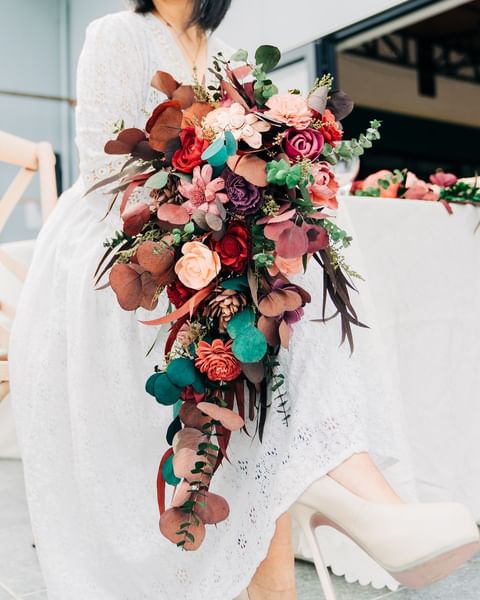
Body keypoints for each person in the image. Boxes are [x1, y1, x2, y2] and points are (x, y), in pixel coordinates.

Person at [9, 1, 479, 599]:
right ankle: (360, 491)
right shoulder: (117, 33)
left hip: (204, 227)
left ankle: (351, 486)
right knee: (269, 285)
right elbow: (105, 170)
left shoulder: (218, 48)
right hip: (121, 245)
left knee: (298, 265)